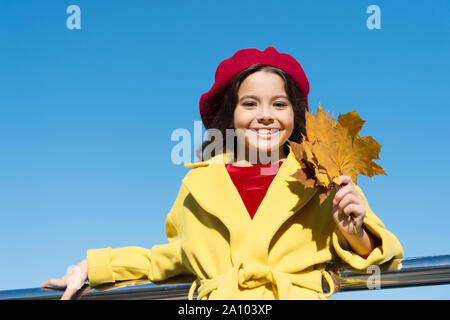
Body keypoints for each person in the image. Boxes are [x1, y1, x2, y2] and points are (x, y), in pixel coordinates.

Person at [41, 46, 404, 300]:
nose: (265, 114)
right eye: (250, 104)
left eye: (279, 104)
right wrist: (95, 266)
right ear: (230, 115)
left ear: (295, 116)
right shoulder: (197, 185)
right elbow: (170, 259)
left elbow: (379, 255)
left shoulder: (323, 177)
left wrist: (355, 233)